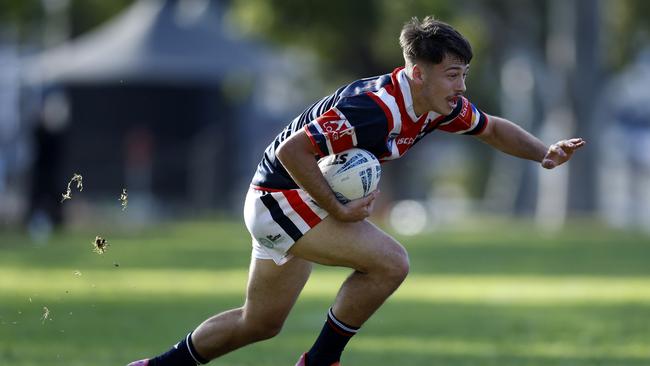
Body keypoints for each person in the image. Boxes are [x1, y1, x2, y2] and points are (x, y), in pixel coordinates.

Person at [128, 16, 585, 366]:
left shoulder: (439, 107)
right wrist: (339, 209)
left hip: (290, 203)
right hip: (280, 199)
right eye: (452, 74)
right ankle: (320, 362)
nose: (461, 86)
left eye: (464, 74)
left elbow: (492, 129)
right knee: (391, 263)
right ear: (417, 72)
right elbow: (291, 152)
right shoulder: (373, 109)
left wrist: (542, 152)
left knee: (260, 323)